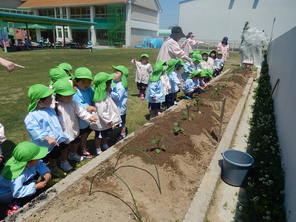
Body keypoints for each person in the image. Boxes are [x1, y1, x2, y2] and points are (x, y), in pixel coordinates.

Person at [24, 84, 70, 173]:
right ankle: (51, 167)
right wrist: (47, 137)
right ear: (39, 102)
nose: (52, 99)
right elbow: (34, 130)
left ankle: (56, 164)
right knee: (49, 156)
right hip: (45, 143)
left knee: (56, 153)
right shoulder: (32, 116)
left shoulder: (49, 109)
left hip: (56, 139)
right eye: (49, 98)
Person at [53, 79, 97, 163]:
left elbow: (81, 111)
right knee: (64, 148)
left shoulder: (73, 103)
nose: (70, 97)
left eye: (71, 94)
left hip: (74, 128)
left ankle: (73, 154)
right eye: (67, 95)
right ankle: (64, 161)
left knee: (75, 142)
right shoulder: (56, 106)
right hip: (63, 132)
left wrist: (89, 117)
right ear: (58, 95)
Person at [0, 142, 51, 215]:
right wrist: (35, 187)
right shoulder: (17, 176)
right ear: (28, 162)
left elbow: (39, 164)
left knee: (31, 185)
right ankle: (12, 206)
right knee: (19, 204)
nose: (40, 158)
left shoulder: (26, 162)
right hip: (8, 194)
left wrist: (46, 172)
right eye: (37, 157)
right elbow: (17, 192)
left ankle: (29, 188)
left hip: (20, 185)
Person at [90, 72, 122, 154]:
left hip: (106, 122)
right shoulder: (100, 99)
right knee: (99, 136)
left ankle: (104, 144)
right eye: (109, 84)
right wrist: (109, 121)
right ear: (103, 86)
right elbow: (102, 112)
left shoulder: (105, 94)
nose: (110, 86)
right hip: (101, 122)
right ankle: (97, 148)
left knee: (106, 134)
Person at [72, 67, 96, 158]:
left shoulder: (89, 89)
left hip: (88, 117)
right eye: (83, 82)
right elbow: (79, 104)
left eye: (88, 82)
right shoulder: (76, 92)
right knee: (82, 135)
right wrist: (88, 107)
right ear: (77, 82)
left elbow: (94, 95)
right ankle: (81, 149)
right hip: (81, 119)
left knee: (85, 134)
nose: (86, 84)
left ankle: (82, 147)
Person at [111, 66, 128, 141]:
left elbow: (118, 97)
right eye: (114, 71)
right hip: (114, 107)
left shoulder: (121, 86)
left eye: (116, 72)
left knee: (122, 122)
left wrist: (110, 91)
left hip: (120, 108)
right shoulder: (114, 82)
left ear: (122, 76)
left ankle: (122, 133)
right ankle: (114, 132)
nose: (114, 74)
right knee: (114, 120)